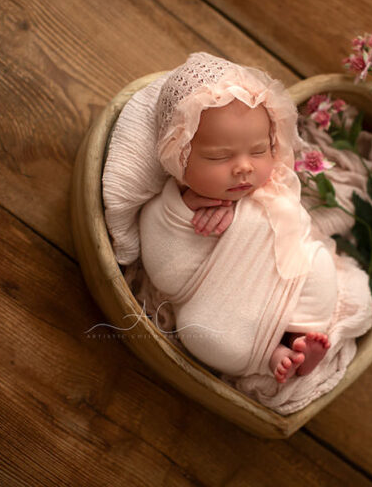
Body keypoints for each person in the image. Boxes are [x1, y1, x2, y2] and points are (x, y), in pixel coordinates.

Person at [141, 97, 335, 384]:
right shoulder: (169, 208)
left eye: (258, 151)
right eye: (220, 157)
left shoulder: (274, 189)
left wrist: (248, 215)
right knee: (203, 334)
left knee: (320, 267)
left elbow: (296, 231)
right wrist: (184, 212)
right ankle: (271, 355)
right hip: (216, 301)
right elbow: (167, 272)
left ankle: (300, 336)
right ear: (180, 158)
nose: (244, 167)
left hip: (284, 279)